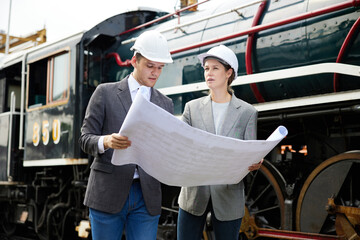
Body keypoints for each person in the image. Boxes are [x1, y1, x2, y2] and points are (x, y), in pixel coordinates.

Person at [79, 30, 174, 240]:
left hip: (146, 194)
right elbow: (85, 139)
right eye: (150, 66)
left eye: (160, 68)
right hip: (108, 192)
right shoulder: (104, 93)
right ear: (134, 61)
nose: (155, 73)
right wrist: (107, 141)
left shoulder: (165, 104)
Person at [177, 44, 263, 240]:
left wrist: (256, 162)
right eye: (206, 68)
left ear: (228, 73)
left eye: (215, 68)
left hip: (228, 195)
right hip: (193, 194)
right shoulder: (192, 108)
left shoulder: (248, 113)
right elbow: (180, 145)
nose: (209, 73)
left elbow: (251, 151)